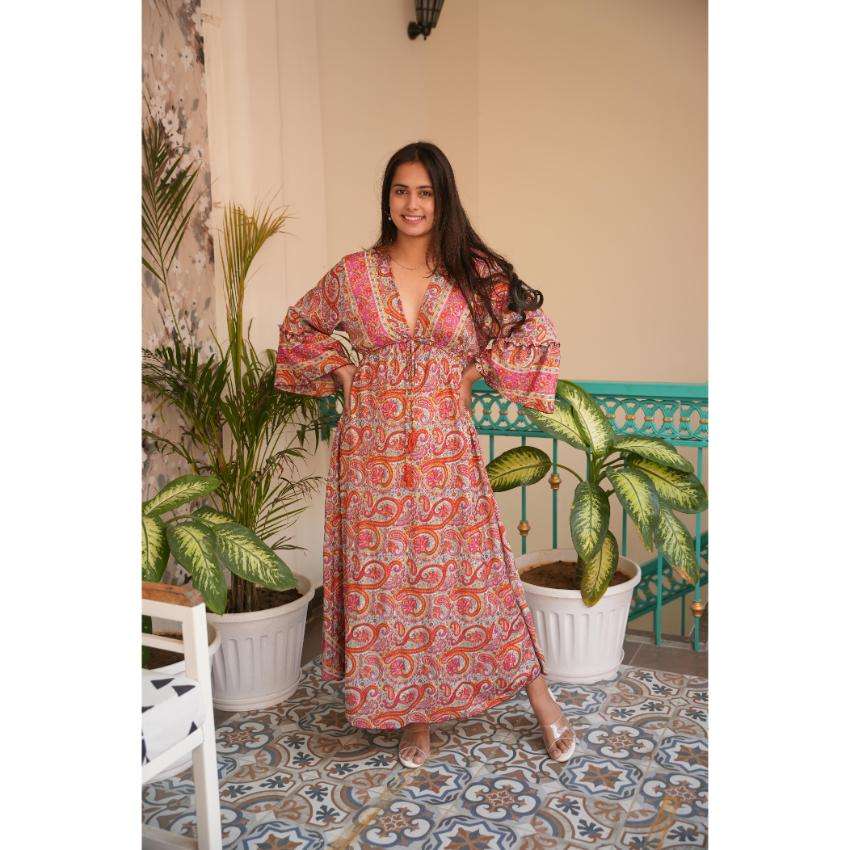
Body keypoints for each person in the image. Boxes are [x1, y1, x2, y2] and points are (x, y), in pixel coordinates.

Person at [274, 141, 575, 768]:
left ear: (443, 200)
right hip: (372, 453)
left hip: (443, 448)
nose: (412, 204)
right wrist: (342, 371)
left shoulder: (471, 273)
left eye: (425, 193)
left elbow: (534, 330)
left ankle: (539, 696)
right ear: (387, 197)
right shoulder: (354, 274)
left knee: (478, 572)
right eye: (401, 191)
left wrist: (473, 372)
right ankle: (415, 716)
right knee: (394, 582)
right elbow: (298, 328)